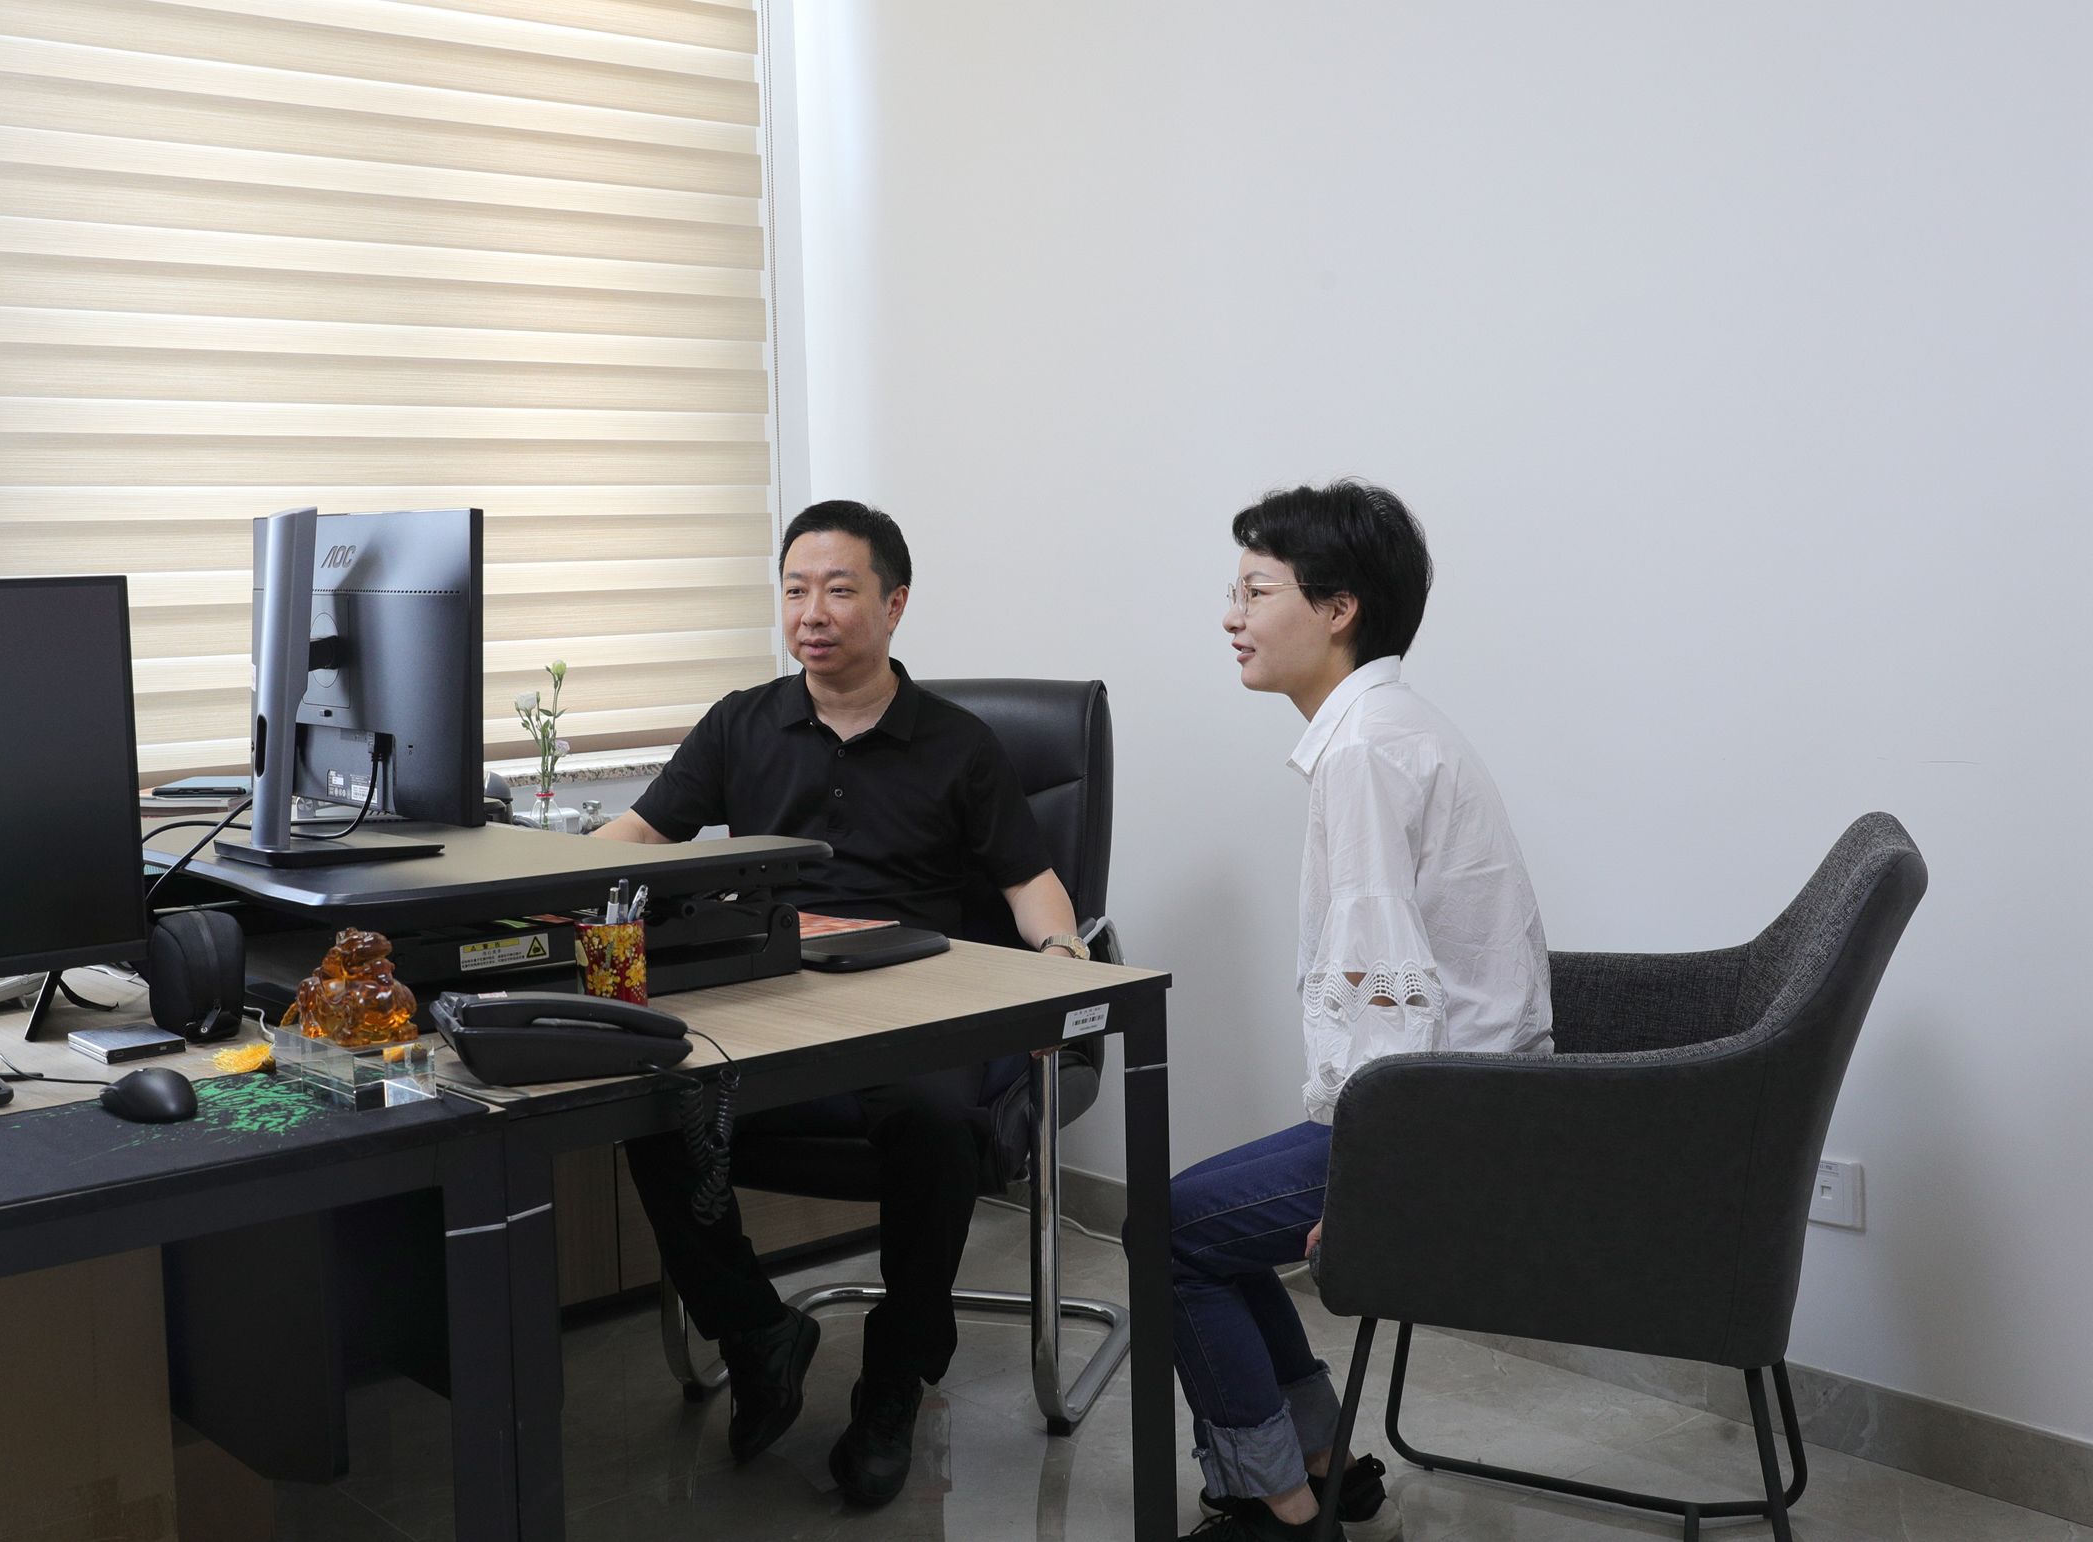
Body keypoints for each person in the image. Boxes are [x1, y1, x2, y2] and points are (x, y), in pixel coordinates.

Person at [594, 498, 1094, 1505]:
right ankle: (756, 1330)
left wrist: (1064, 956)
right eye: (793, 590)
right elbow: (640, 836)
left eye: (837, 589)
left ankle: (893, 1381)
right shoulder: (745, 720)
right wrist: (528, 894)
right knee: (650, 1097)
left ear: (894, 603)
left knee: (933, 1116)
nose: (810, 612)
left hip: (920, 999)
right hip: (774, 996)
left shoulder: (958, 744)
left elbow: (1031, 883)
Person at [1171, 481, 1552, 1542]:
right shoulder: (1384, 726)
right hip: (1461, 1097)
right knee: (1202, 1227)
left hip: (1445, 1119)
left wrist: (1377, 1175)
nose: (1231, 615)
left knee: (1167, 1231)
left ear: (1338, 608)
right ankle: (1322, 1458)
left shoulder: (1366, 749)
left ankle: (1278, 1505)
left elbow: (1388, 979)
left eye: (1256, 590)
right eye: (1233, 590)